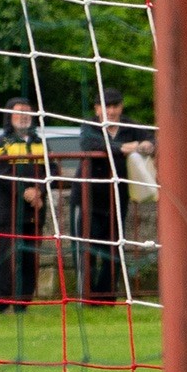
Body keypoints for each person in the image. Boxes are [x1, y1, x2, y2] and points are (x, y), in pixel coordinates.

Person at [68, 93, 152, 305]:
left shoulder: (130, 125)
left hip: (118, 197)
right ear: (97, 109)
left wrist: (145, 146)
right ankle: (85, 298)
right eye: (106, 106)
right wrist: (125, 147)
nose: (111, 111)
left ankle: (106, 299)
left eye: (115, 106)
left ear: (121, 107)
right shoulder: (89, 126)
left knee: (113, 248)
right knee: (85, 248)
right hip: (87, 197)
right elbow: (90, 144)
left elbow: (150, 141)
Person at [0, 98, 52, 310]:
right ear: (9, 115)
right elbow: (0, 172)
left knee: (30, 257)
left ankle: (23, 303)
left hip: (35, 211)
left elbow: (52, 170)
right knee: (5, 257)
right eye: (18, 112)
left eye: (27, 112)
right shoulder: (1, 142)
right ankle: (3, 303)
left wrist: (39, 191)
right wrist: (25, 192)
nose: (23, 116)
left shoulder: (40, 142)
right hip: (9, 210)